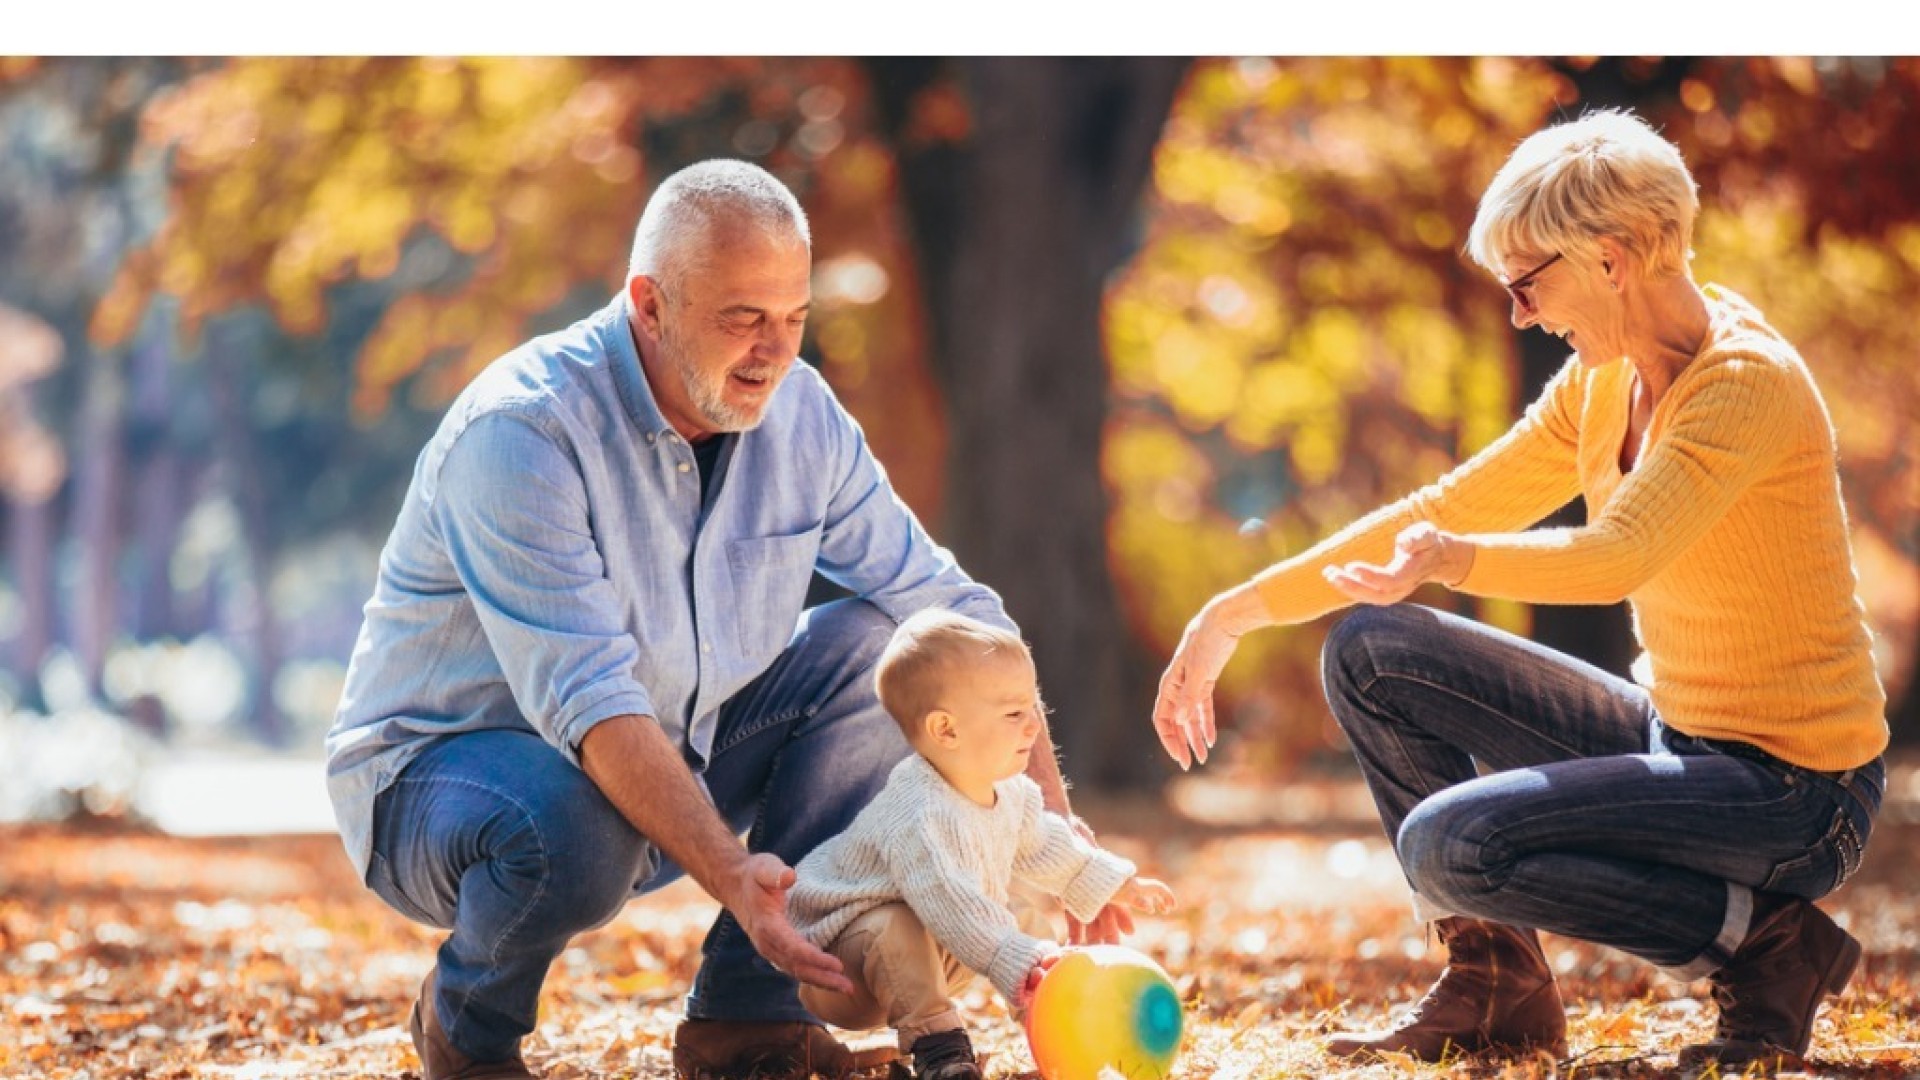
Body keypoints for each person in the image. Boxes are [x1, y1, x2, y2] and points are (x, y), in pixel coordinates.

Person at [325, 160, 1123, 1080]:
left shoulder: (803, 415)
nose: (774, 352)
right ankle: (469, 1028)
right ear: (650, 305)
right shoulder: (522, 435)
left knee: (886, 651)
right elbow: (591, 705)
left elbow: (949, 607)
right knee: (573, 821)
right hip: (443, 782)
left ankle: (747, 1022)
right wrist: (734, 877)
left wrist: (1051, 828)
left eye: (793, 319)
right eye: (742, 317)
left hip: (668, 753)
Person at [1152, 109, 1887, 1072]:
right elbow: (1448, 502)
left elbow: (1616, 553)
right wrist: (1232, 613)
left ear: (1613, 261)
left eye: (1528, 283)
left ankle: (1768, 950)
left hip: (1798, 795)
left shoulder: (1745, 384)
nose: (1521, 314)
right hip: (1680, 737)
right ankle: (1498, 987)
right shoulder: (1603, 382)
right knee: (1374, 648)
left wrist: (1454, 558)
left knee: (1451, 846)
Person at [788, 610, 1176, 1080]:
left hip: (935, 949)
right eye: (1014, 713)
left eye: (1033, 705)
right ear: (946, 730)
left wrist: (1113, 882)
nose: (1033, 725)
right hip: (842, 968)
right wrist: (1021, 957)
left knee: (1018, 912)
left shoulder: (1008, 792)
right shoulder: (916, 812)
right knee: (893, 925)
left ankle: (1058, 1013)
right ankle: (940, 1050)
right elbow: (953, 904)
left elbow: (1047, 844)